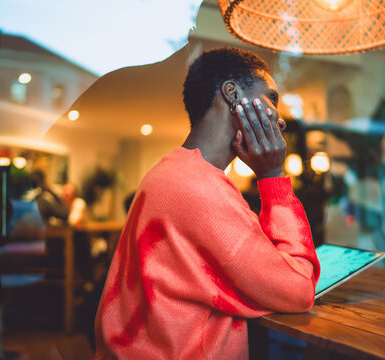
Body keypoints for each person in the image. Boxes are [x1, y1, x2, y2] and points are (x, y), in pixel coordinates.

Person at [93, 48, 320, 359]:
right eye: (272, 99)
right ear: (232, 93)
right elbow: (298, 290)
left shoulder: (171, 171)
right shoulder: (198, 189)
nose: (279, 121)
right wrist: (273, 177)